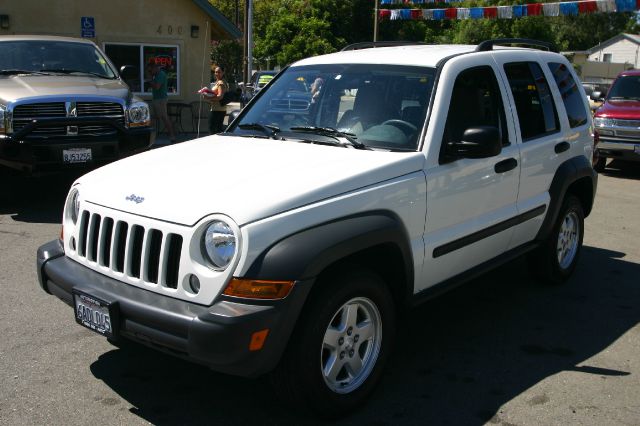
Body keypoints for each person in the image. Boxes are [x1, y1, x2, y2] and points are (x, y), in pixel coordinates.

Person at [148, 63, 176, 143]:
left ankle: (172, 136)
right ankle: (152, 137)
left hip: (161, 99)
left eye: (151, 70)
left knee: (164, 117)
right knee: (153, 117)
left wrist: (150, 80)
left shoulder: (160, 74)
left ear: (155, 68)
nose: (150, 71)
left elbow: (157, 87)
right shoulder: (156, 75)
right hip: (156, 99)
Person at [202, 66, 228, 134]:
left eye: (219, 72)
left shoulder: (221, 83)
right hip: (219, 110)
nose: (217, 74)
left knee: (212, 131)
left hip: (217, 110)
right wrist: (208, 93)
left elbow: (220, 96)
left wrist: (208, 97)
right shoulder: (219, 82)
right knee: (217, 131)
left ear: (223, 73)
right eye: (216, 72)